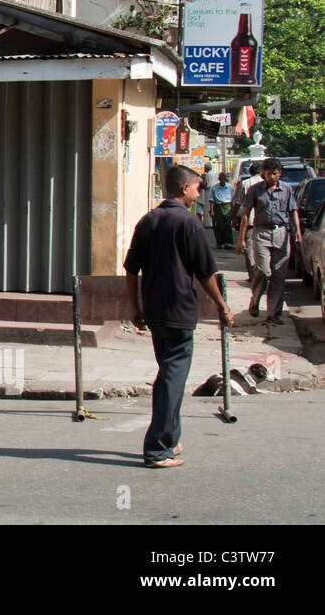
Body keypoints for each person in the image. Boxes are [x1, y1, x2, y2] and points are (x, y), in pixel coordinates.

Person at [125, 165, 233, 469]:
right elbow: (205, 273)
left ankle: (170, 437)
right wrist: (222, 306)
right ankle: (158, 448)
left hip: (155, 312)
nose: (199, 192)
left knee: (168, 375)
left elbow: (131, 268)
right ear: (183, 188)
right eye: (197, 187)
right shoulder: (189, 223)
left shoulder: (148, 221)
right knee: (172, 378)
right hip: (179, 312)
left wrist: (135, 306)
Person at [236, 157, 302, 322]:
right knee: (264, 272)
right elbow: (245, 215)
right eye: (269, 174)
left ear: (279, 174)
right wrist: (241, 238)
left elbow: (293, 211)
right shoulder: (255, 190)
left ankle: (273, 314)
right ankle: (255, 299)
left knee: (279, 276)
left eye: (275, 173)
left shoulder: (286, 189)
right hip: (261, 233)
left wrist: (297, 232)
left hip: (281, 233)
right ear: (262, 174)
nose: (272, 177)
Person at [211, 172, 235, 249]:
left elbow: (232, 200)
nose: (222, 181)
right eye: (221, 180)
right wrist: (212, 210)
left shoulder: (229, 187)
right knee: (219, 226)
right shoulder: (214, 188)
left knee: (227, 225)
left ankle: (228, 243)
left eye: (224, 180)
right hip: (218, 206)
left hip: (227, 206)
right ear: (219, 180)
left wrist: (233, 210)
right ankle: (219, 242)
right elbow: (211, 200)